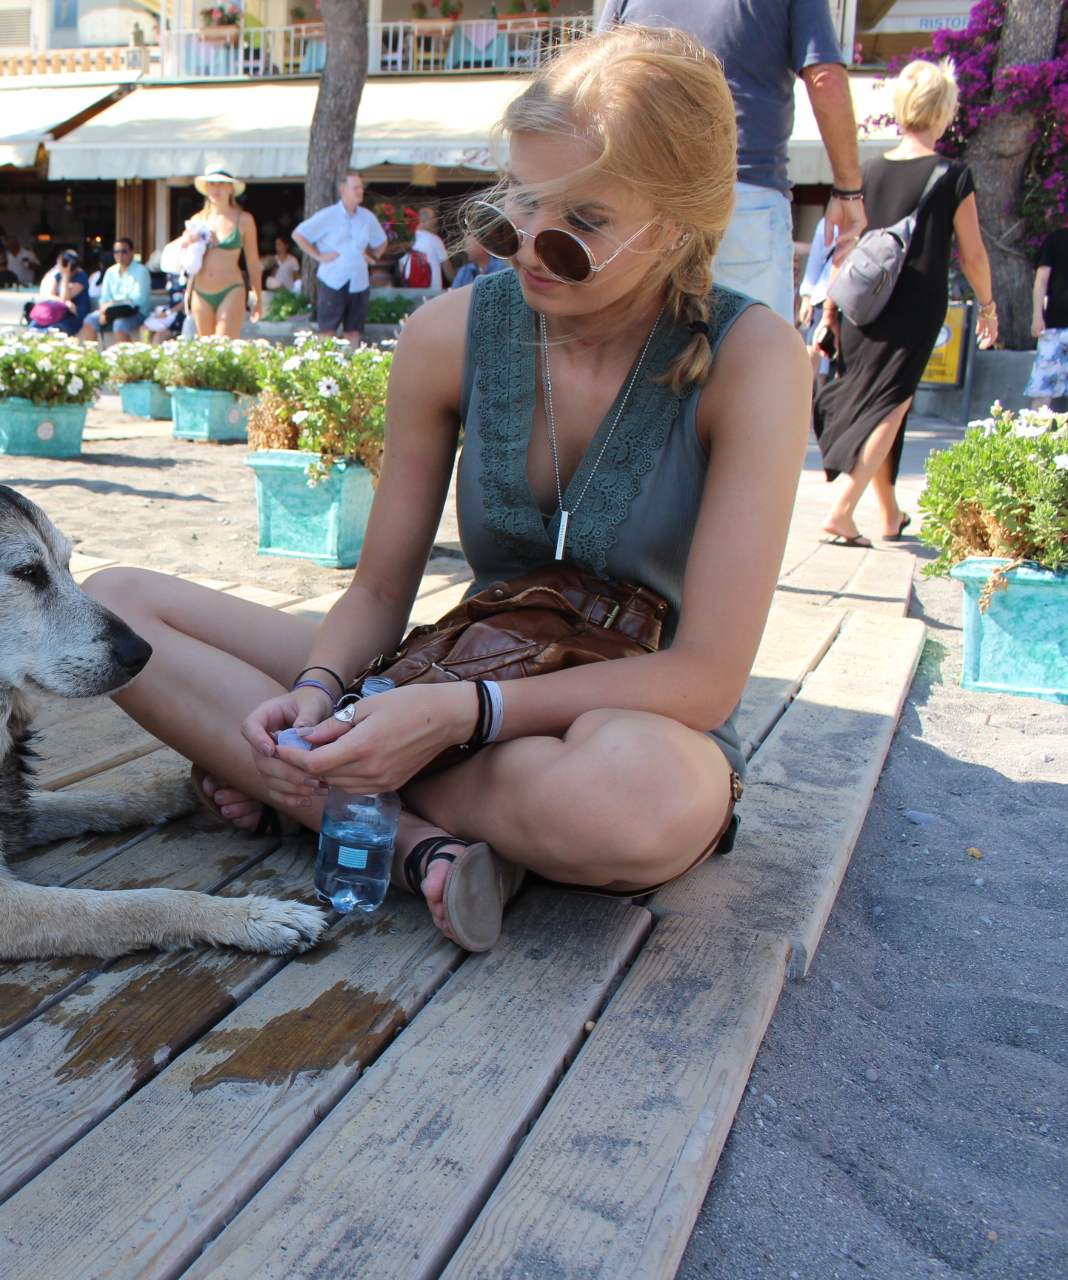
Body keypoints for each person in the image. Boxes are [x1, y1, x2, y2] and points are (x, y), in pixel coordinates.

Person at [82, 26, 809, 949]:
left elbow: (705, 680)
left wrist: (448, 718)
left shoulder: (752, 360)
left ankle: (320, 791)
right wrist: (318, 688)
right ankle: (418, 839)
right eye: (516, 205)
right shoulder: (448, 333)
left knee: (641, 801)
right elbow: (383, 589)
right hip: (450, 667)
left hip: (626, 717)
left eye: (582, 224)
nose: (530, 248)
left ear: (673, 227)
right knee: (113, 609)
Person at [814, 60, 994, 548]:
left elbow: (843, 248)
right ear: (942, 112)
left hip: (861, 305)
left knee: (879, 401)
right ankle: (842, 511)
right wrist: (990, 306)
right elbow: (973, 254)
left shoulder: (867, 172)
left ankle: (890, 514)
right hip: (914, 304)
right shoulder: (952, 176)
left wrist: (828, 311)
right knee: (890, 403)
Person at [601, 0, 867, 319]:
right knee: (759, 357)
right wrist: (848, 189)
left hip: (642, 194)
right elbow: (824, 77)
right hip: (743, 194)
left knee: (645, 358)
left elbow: (597, 77)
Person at [294, 171, 387, 346]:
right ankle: (322, 365)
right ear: (343, 190)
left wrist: (373, 257)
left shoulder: (367, 217)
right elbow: (298, 234)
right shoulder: (328, 215)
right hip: (333, 279)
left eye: (361, 187)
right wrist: (318, 256)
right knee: (327, 330)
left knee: (354, 330)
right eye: (356, 188)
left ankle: (351, 368)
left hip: (359, 281)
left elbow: (381, 241)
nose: (360, 191)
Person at [177, 167, 263, 339]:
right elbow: (184, 258)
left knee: (223, 347)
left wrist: (258, 298)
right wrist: (186, 243)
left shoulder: (244, 219)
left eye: (221, 184)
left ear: (231, 188)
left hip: (231, 289)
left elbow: (253, 262)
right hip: (200, 291)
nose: (215, 189)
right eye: (211, 185)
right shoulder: (197, 220)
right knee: (207, 351)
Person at [1026, 224, 1068, 409]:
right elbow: (1041, 279)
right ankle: (1035, 436)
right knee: (1042, 388)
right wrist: (1037, 316)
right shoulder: (1056, 239)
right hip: (1055, 327)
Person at [81, 237, 153, 344]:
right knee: (89, 321)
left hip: (136, 313)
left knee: (120, 323)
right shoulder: (110, 271)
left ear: (132, 252)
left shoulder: (141, 270)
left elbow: (138, 301)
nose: (120, 255)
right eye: (116, 252)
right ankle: (91, 357)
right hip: (111, 311)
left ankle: (124, 359)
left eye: (124, 251)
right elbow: (104, 298)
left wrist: (112, 306)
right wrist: (104, 312)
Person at [30, 249, 89, 336]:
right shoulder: (58, 275)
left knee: (52, 331)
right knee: (33, 326)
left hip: (72, 316)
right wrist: (64, 302)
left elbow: (65, 296)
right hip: (56, 313)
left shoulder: (81, 276)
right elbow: (47, 294)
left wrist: (65, 276)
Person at [407, 205, 452, 290]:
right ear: (424, 221)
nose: (436, 221)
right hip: (432, 291)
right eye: (433, 218)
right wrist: (457, 283)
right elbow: (447, 267)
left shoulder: (409, 239)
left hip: (411, 290)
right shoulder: (434, 239)